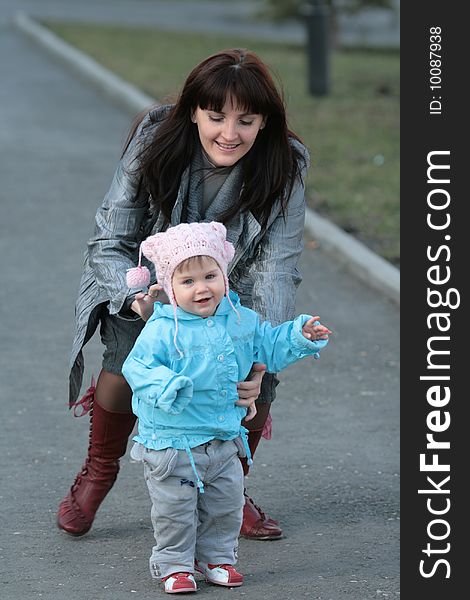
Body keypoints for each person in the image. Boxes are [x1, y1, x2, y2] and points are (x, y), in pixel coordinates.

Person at [57, 47, 311, 540]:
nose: (229, 134)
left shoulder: (286, 164)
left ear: (265, 123)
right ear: (194, 111)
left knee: (257, 383)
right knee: (128, 359)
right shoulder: (156, 139)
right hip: (141, 280)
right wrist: (139, 300)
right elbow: (111, 240)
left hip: (228, 290)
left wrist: (258, 358)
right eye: (215, 117)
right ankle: (99, 470)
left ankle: (228, 490)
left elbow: (278, 269)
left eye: (246, 120)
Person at [121, 221, 330, 593]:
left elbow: (268, 345)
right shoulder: (162, 329)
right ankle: (175, 565)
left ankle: (217, 558)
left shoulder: (240, 320)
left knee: (226, 507)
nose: (201, 288)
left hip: (224, 441)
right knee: (175, 511)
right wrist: (168, 386)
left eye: (210, 276)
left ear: (224, 276)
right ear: (170, 286)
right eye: (187, 282)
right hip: (173, 444)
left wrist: (298, 335)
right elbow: (137, 367)